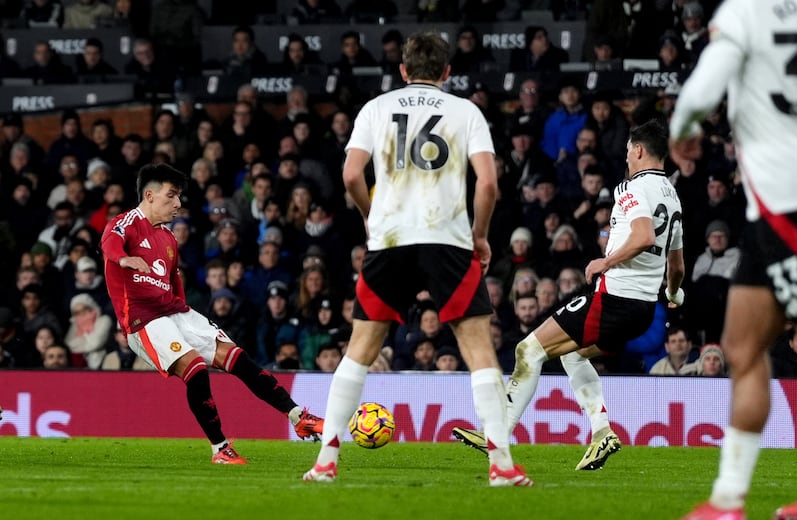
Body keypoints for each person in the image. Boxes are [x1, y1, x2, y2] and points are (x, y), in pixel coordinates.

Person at [302, 32, 532, 487]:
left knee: (360, 350)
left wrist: (371, 214)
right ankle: (501, 465)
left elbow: (351, 173)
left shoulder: (376, 108)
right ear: (447, 73)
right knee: (478, 349)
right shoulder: (466, 112)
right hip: (447, 240)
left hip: (389, 239)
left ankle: (326, 460)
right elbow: (488, 184)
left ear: (402, 71)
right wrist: (480, 236)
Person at [453, 119, 686, 471]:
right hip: (641, 309)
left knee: (528, 349)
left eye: (628, 152)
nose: (627, 159)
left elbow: (642, 237)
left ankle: (496, 436)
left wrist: (605, 261)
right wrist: (673, 292)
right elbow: (677, 265)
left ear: (638, 151)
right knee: (573, 356)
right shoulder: (673, 197)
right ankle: (601, 431)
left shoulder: (631, 189)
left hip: (615, 299)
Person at [100, 163, 324, 464]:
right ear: (150, 195)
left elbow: (174, 280)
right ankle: (220, 448)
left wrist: (183, 308)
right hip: (144, 320)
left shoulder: (168, 238)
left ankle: (298, 416)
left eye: (179, 197)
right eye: (171, 196)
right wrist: (124, 259)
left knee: (238, 359)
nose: (178, 204)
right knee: (196, 369)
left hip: (176, 312)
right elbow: (109, 243)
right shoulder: (127, 222)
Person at [670, 1, 797, 518]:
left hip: (782, 206)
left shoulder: (748, 10)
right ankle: (727, 500)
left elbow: (705, 86)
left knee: (745, 353)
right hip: (767, 219)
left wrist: (683, 127)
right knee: (741, 346)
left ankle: (729, 500)